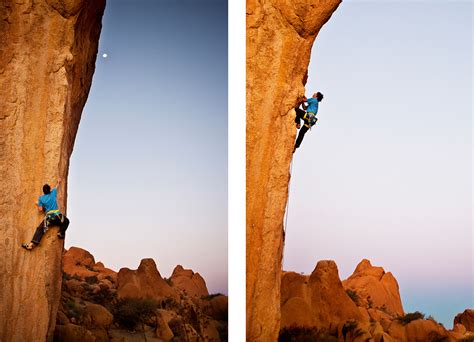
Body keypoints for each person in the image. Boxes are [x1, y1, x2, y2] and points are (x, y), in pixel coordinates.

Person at [21, 178, 70, 250]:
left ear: (43, 191)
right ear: (50, 189)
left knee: (40, 229)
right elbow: (56, 186)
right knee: (66, 221)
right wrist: (58, 182)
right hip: (58, 217)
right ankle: (61, 233)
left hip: (49, 218)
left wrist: (38, 204)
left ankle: (31, 245)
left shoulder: (41, 198)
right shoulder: (53, 193)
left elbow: (40, 210)